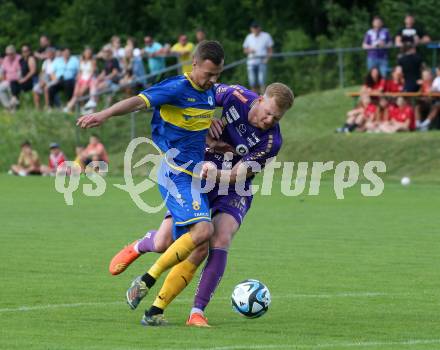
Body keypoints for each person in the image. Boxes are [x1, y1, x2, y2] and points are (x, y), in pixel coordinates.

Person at [109, 82, 294, 327]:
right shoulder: (234, 96)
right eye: (268, 112)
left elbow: (239, 174)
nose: (270, 119)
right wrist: (207, 122)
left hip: (232, 187)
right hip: (195, 176)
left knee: (216, 240)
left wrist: (215, 172)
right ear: (260, 99)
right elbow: (197, 97)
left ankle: (191, 311)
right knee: (163, 242)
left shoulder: (271, 141)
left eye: (276, 117)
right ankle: (142, 244)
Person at [77, 40, 225, 326]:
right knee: (204, 230)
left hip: (195, 175)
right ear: (193, 64)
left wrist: (213, 132)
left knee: (168, 242)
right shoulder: (175, 88)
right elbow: (138, 101)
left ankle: (143, 252)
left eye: (217, 75)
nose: (212, 81)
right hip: (175, 173)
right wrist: (104, 114)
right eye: (208, 74)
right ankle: (146, 281)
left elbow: (194, 126)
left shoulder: (209, 93)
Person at [84, 44, 121, 111]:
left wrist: (105, 78)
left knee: (97, 88)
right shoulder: (107, 61)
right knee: (94, 83)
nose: (104, 53)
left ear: (110, 52)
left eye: (105, 51)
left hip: (113, 81)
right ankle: (92, 106)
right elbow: (104, 72)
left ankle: (92, 105)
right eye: (104, 51)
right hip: (107, 81)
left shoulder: (114, 60)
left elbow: (115, 72)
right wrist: (98, 78)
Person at [243, 21, 274, 94]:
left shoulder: (266, 36)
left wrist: (267, 60)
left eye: (256, 27)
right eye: (254, 28)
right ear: (251, 29)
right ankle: (255, 99)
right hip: (251, 62)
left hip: (262, 62)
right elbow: (245, 50)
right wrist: (249, 50)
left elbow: (270, 50)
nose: (255, 29)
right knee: (252, 82)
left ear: (259, 28)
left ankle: (263, 98)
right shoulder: (249, 37)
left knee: (262, 81)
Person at [64, 47, 96, 112]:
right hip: (81, 78)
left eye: (89, 53)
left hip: (88, 79)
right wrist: (78, 79)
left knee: (80, 93)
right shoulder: (81, 61)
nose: (87, 54)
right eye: (86, 53)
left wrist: (87, 81)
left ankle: (69, 106)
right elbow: (80, 72)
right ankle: (80, 107)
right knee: (75, 93)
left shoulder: (92, 61)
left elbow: (92, 73)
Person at [0, 45, 21, 110]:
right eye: (8, 54)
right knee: (0, 88)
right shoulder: (6, 59)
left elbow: (20, 72)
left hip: (16, 80)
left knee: (11, 88)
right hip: (7, 80)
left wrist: (16, 78)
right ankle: (8, 106)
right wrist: (3, 79)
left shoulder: (19, 58)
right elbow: (2, 71)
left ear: (14, 53)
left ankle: (14, 107)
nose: (9, 55)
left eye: (11, 54)